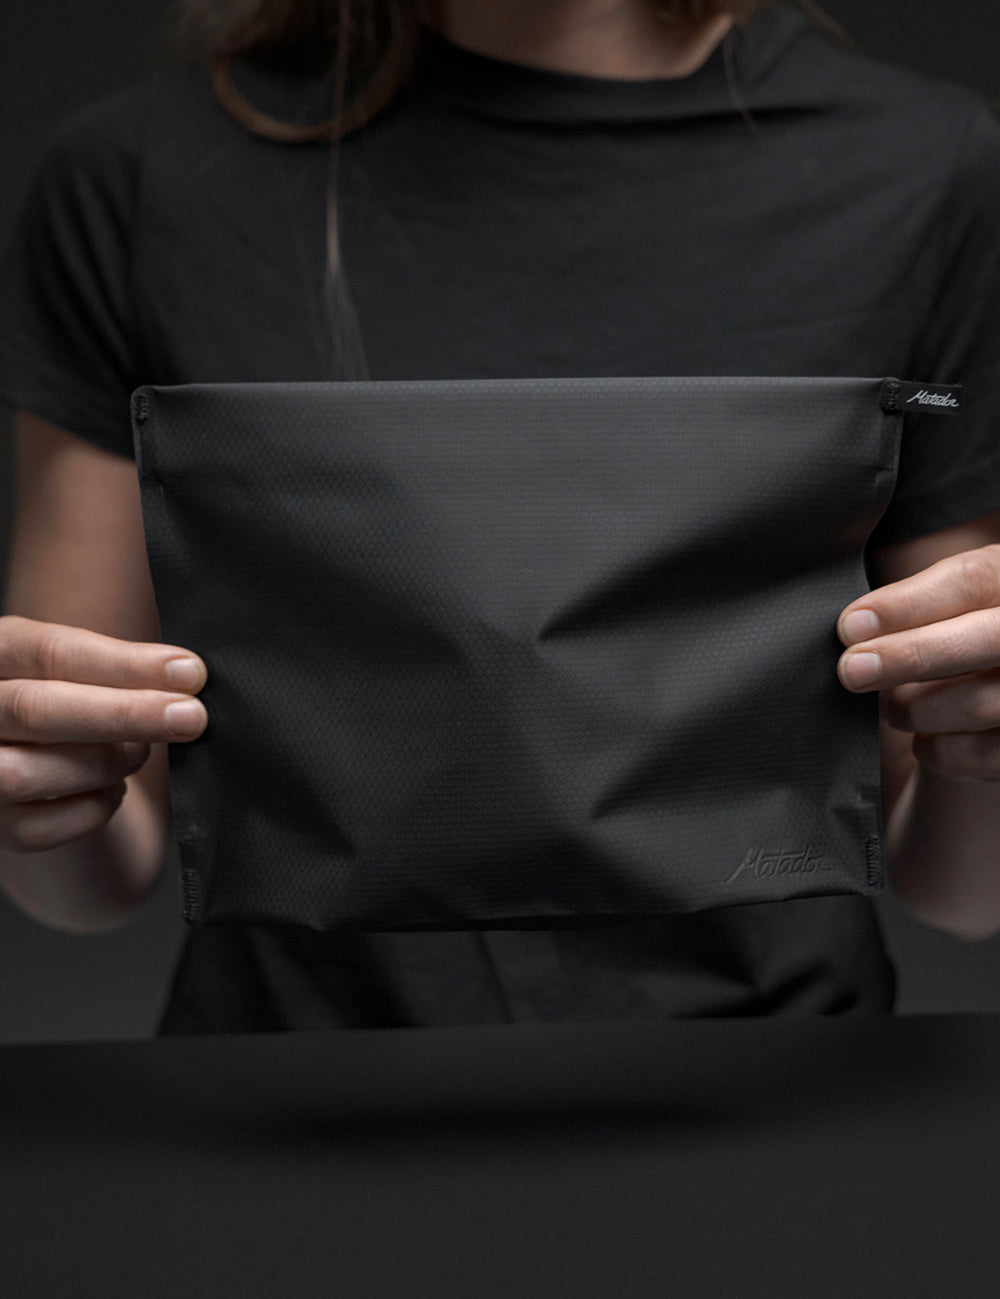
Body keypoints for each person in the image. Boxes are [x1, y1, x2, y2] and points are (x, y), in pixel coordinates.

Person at [1, 0, 1000, 1031]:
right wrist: (38, 793)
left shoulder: (923, 168)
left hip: (781, 1082)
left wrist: (983, 744)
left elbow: (962, 879)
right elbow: (89, 849)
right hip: (293, 1086)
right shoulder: (139, 176)